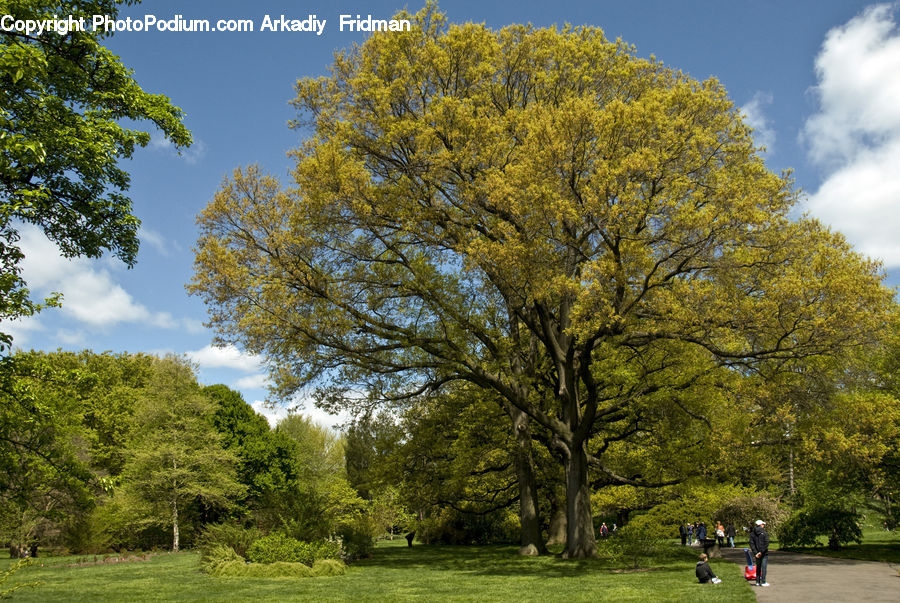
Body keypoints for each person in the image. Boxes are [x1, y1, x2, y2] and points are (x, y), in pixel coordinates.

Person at [749, 519, 770, 587]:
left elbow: (752, 544)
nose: (764, 525)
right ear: (761, 525)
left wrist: (756, 552)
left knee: (758, 567)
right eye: (763, 524)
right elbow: (766, 543)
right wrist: (761, 552)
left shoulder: (752, 534)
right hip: (763, 553)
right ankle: (763, 581)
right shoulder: (764, 533)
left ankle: (757, 581)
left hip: (757, 553)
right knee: (763, 567)